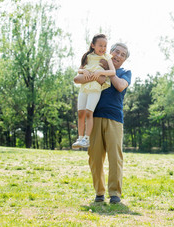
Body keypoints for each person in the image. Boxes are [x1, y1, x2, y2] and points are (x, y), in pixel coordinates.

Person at [74, 42, 131, 204]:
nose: (119, 56)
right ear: (109, 52)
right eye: (116, 52)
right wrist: (94, 72)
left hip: (114, 119)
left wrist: (110, 69)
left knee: (115, 157)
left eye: (123, 55)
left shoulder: (125, 72)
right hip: (94, 118)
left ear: (125, 60)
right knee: (95, 157)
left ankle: (115, 194)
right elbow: (78, 79)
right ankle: (99, 193)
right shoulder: (95, 67)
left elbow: (120, 86)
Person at [72, 34, 115, 149]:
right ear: (93, 45)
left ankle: (87, 139)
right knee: (80, 113)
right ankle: (80, 138)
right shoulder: (87, 56)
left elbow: (112, 72)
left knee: (88, 112)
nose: (103, 48)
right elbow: (79, 69)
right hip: (84, 87)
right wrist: (83, 71)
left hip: (95, 87)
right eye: (100, 45)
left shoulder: (107, 56)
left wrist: (101, 73)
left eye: (105, 46)